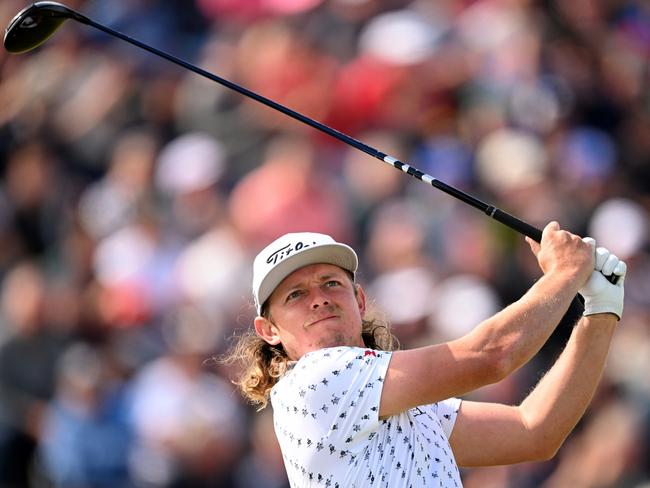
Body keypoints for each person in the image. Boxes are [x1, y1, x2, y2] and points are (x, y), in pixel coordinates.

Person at [224, 221, 626, 487]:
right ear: (269, 330)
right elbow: (490, 356)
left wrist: (600, 311)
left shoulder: (398, 403)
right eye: (296, 294)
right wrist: (563, 274)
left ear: (359, 300)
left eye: (331, 283)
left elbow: (534, 431)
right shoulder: (315, 380)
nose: (319, 299)